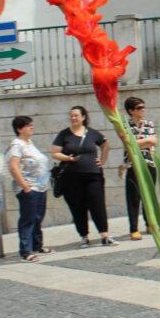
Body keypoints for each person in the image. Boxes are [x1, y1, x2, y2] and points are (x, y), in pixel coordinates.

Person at [51, 105, 116, 248]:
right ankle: (84, 236)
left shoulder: (92, 133)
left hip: (93, 175)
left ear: (83, 117)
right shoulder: (64, 134)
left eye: (76, 115)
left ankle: (104, 235)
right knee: (77, 206)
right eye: (71, 115)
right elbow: (55, 152)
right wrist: (68, 158)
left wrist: (103, 160)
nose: (73, 118)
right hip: (72, 177)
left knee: (97, 204)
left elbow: (105, 145)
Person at [8, 116, 52, 262]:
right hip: (29, 187)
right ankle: (26, 250)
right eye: (27, 125)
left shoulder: (29, 143)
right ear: (19, 129)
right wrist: (25, 187)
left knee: (38, 217)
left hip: (40, 186)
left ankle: (37, 245)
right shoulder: (16, 145)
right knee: (28, 218)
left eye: (31, 125)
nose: (31, 127)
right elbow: (14, 167)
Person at [119, 97, 157, 241]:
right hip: (132, 164)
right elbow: (127, 143)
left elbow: (154, 141)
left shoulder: (149, 124)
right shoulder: (124, 125)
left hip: (149, 162)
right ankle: (134, 228)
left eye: (143, 107)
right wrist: (145, 141)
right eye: (140, 108)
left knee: (149, 195)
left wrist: (136, 142)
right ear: (131, 111)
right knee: (133, 197)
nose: (143, 110)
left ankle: (150, 224)